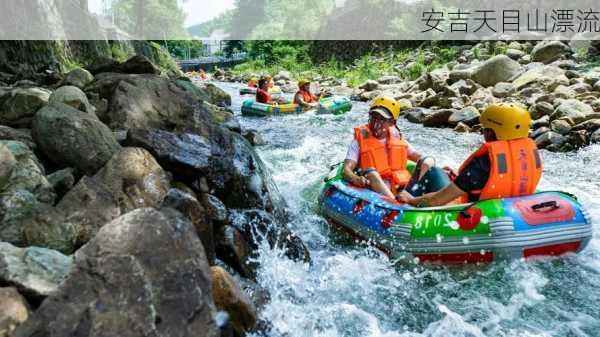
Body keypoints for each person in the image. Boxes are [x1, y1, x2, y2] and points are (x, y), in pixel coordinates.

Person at [398, 104, 543, 207]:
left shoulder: (481, 165)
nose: (483, 133)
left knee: (433, 171)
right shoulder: (530, 154)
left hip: (476, 218)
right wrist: (461, 178)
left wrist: (411, 199)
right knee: (444, 172)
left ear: (493, 132)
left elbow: (435, 201)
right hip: (513, 212)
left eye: (486, 129)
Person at [343, 96, 448, 200]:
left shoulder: (398, 139)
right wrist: (355, 178)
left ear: (392, 122)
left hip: (401, 189)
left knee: (427, 160)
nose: (377, 123)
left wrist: (438, 168)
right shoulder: (358, 142)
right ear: (369, 116)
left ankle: (420, 197)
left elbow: (419, 158)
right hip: (375, 189)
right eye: (374, 117)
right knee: (372, 173)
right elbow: (347, 169)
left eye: (382, 119)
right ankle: (394, 204)